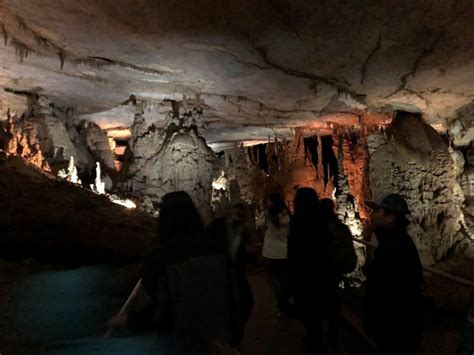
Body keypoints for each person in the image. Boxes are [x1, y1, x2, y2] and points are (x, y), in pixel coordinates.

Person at [108, 191, 233, 355]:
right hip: (215, 337)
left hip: (177, 342)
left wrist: (130, 320)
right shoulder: (217, 249)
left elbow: (161, 308)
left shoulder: (162, 256)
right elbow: (240, 295)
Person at [364, 193, 424, 355]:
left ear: (390, 217)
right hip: (392, 324)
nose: (372, 214)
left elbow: (392, 292)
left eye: (377, 211)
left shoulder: (396, 247)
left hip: (395, 327)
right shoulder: (389, 241)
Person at [288, 187, 333, 354]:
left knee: (308, 310)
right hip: (321, 271)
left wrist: (291, 280)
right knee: (317, 307)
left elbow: (294, 252)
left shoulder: (297, 222)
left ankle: (315, 339)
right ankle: (319, 336)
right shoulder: (322, 220)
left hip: (304, 273)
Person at [206, 202, 256, 348]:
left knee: (247, 302)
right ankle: (226, 338)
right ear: (228, 213)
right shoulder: (216, 226)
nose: (236, 218)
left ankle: (235, 338)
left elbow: (246, 257)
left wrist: (250, 253)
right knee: (224, 304)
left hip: (236, 272)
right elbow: (207, 246)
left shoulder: (244, 231)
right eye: (234, 214)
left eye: (240, 215)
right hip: (219, 270)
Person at [319, 198, 357, 348]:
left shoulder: (316, 228)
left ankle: (320, 332)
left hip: (322, 270)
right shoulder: (340, 227)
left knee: (320, 299)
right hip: (335, 270)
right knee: (333, 300)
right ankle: (333, 332)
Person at [256, 193, 291, 318]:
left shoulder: (268, 215)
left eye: (269, 201)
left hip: (271, 252)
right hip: (284, 252)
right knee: (284, 281)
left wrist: (264, 211)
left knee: (274, 281)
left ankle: (281, 304)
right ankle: (285, 304)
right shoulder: (286, 214)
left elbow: (258, 224)